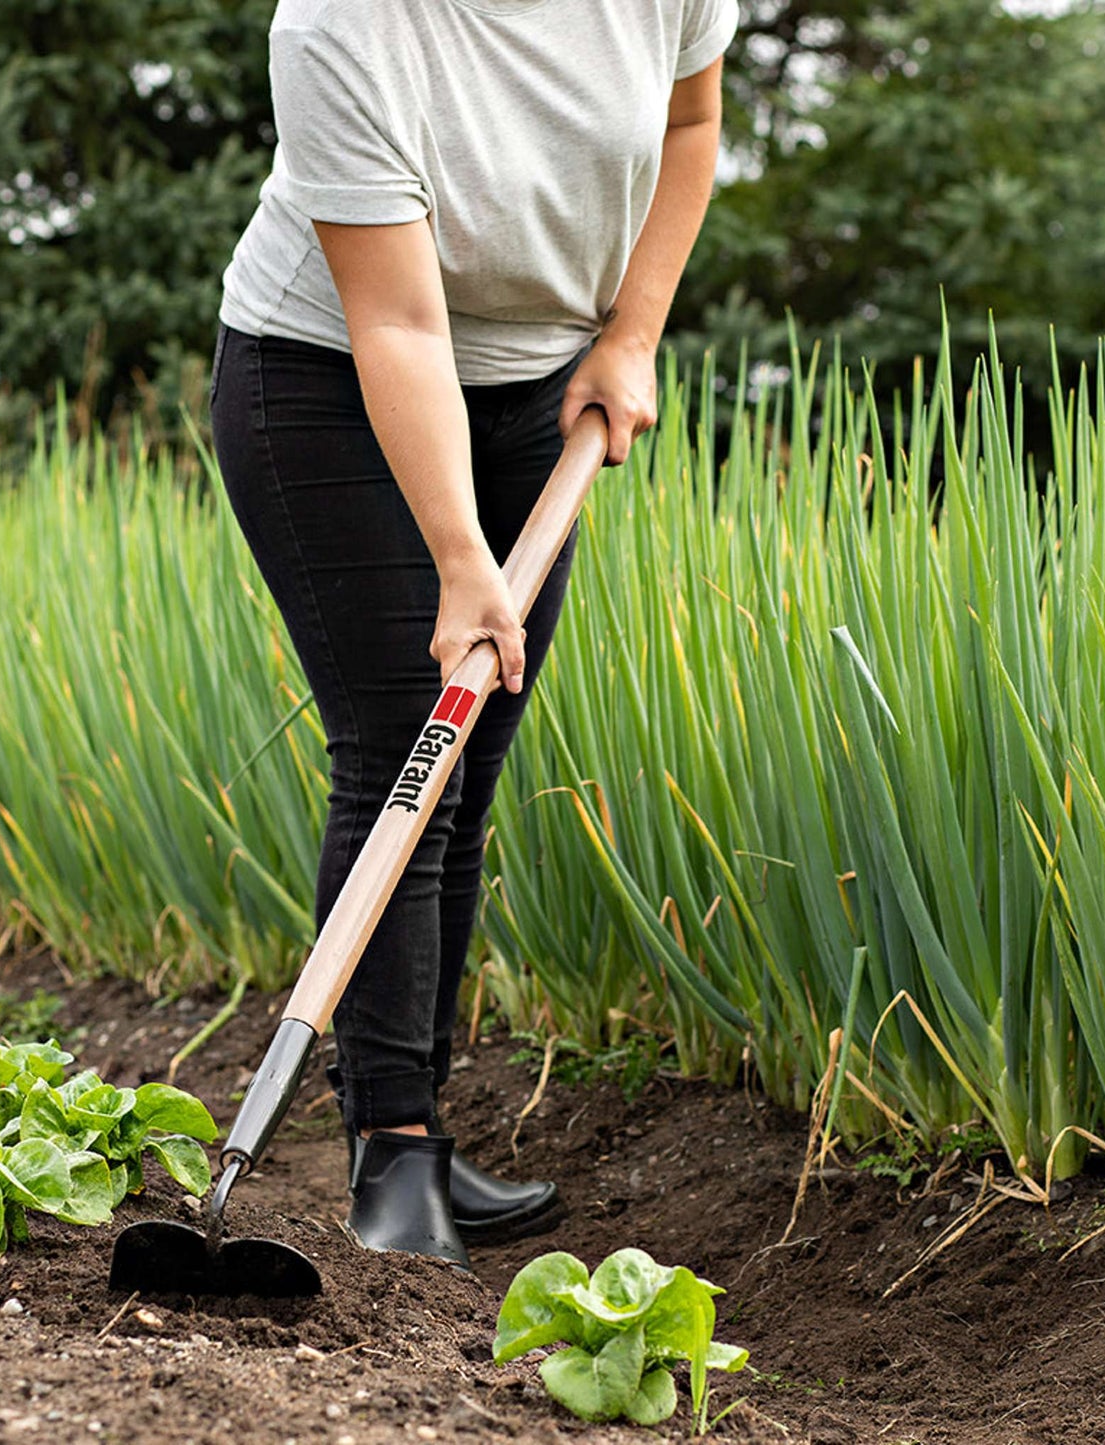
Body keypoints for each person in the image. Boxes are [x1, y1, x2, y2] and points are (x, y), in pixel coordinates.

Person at [210, 0, 738, 1266]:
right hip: (332, 376)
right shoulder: (339, 26)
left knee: (470, 758)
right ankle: (391, 1156)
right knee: (408, 743)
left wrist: (631, 336)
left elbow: (691, 124)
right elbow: (396, 320)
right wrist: (460, 559)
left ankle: (422, 1138)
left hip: (542, 386)